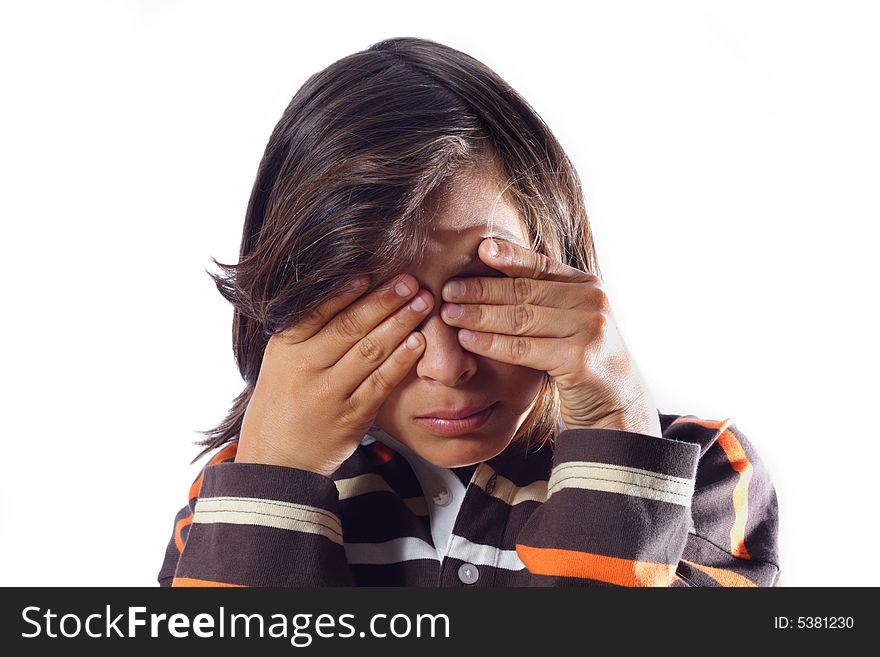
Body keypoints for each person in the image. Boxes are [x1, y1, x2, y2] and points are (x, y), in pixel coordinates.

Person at [158, 37, 780, 587]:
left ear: (559, 256)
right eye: (378, 310)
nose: (449, 366)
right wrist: (275, 479)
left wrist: (617, 432)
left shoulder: (701, 476)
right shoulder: (234, 506)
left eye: (484, 287)